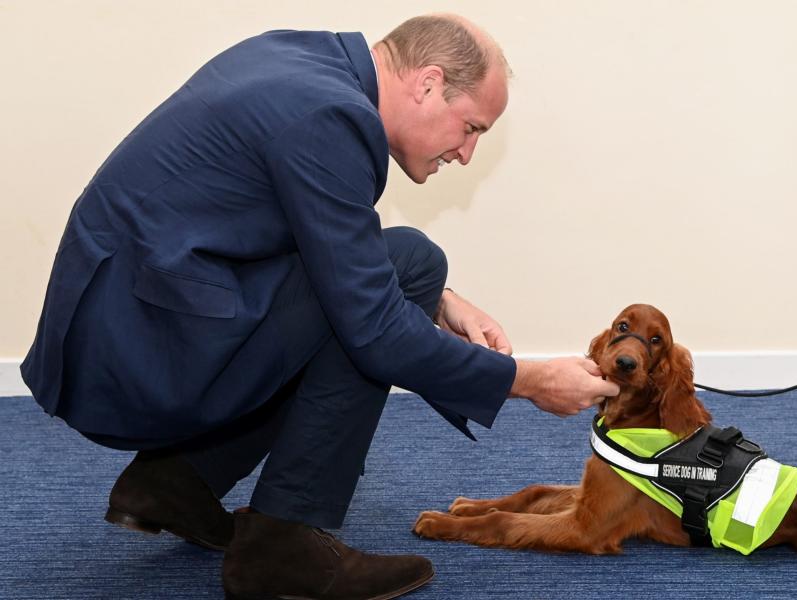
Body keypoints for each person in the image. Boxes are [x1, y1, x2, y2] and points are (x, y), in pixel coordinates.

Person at [21, 14, 619, 600]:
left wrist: (442, 301)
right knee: (393, 287)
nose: (465, 154)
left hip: (126, 321)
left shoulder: (302, 61)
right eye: (471, 128)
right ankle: (282, 544)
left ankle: (178, 480)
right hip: (144, 353)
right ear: (429, 83)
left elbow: (321, 233)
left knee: (411, 265)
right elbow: (377, 331)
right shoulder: (330, 116)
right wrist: (530, 380)